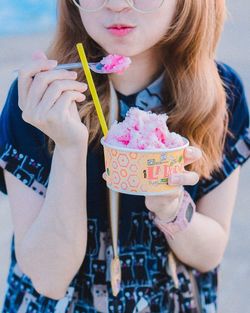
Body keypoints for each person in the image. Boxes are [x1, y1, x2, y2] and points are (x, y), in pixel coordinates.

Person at [0, 0, 249, 312]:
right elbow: (48, 278)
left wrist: (172, 208)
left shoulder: (220, 95)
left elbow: (208, 254)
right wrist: (68, 148)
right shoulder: (41, 103)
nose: (117, 5)